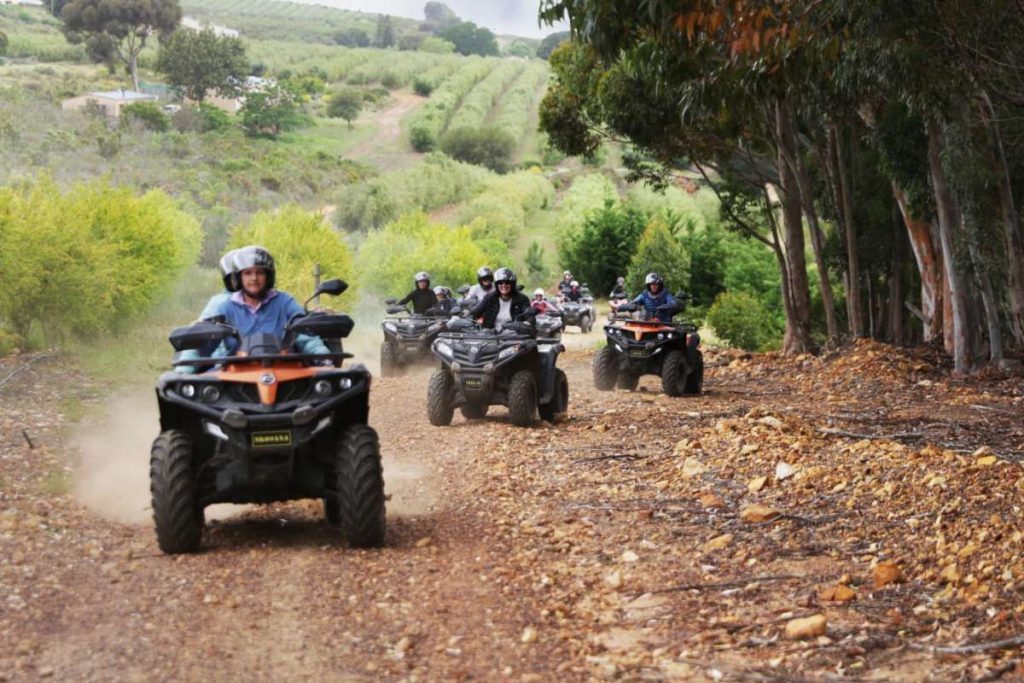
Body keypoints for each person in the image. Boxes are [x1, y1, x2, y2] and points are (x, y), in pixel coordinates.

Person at [207, 245, 331, 359]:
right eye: (248, 273)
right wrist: (187, 372)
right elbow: (205, 344)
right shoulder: (225, 307)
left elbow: (306, 335)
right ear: (239, 278)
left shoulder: (285, 301)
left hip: (284, 370)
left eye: (259, 272)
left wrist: (325, 360)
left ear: (268, 276)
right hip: (236, 374)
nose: (254, 278)